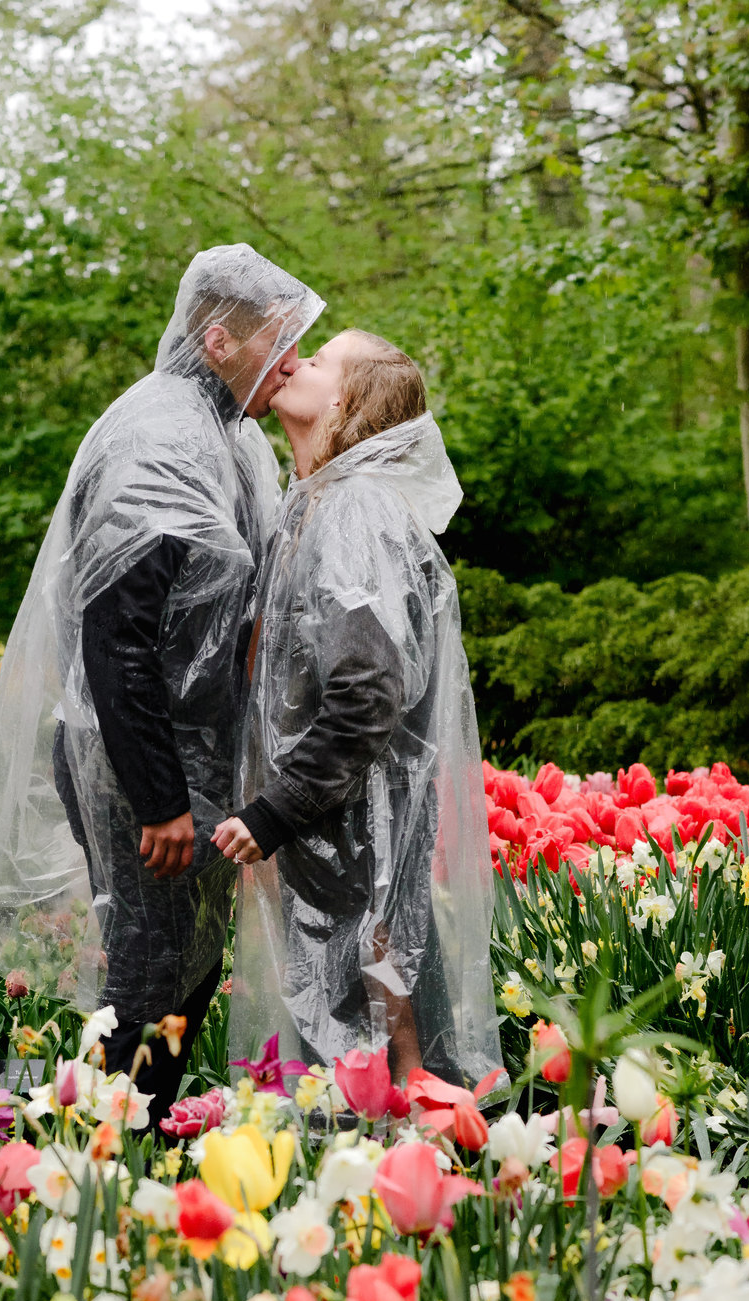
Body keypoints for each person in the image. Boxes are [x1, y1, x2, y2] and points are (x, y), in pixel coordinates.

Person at [0, 245, 324, 1124]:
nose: (296, 361)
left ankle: (124, 1146)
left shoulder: (220, 432)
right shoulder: (159, 440)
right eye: (282, 340)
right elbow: (115, 639)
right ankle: (93, 1157)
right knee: (150, 975)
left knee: (179, 973)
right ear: (222, 338)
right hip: (140, 767)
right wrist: (159, 799)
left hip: (182, 759)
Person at [214, 329, 501, 1087]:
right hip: (325, 851)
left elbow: (369, 692)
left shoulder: (354, 511)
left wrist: (275, 810)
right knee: (342, 1075)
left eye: (317, 361)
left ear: (344, 400)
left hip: (344, 842)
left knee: (368, 1077)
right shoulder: (315, 502)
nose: (294, 361)